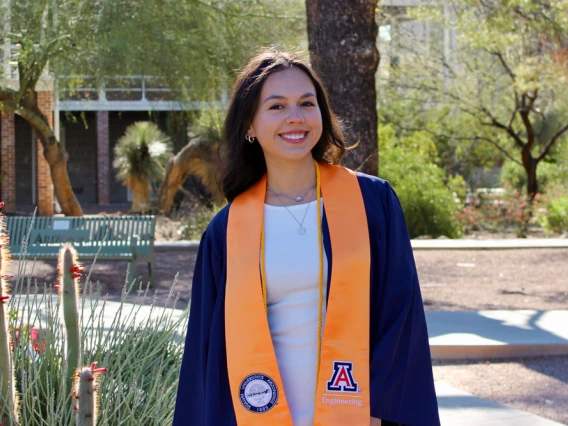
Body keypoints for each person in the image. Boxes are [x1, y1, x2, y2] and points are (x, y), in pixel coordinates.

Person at [173, 48, 440, 426]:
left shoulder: (372, 204)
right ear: (249, 125)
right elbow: (207, 352)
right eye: (277, 106)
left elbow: (400, 317)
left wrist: (377, 412)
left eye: (306, 103)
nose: (295, 118)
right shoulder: (227, 231)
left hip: (358, 415)